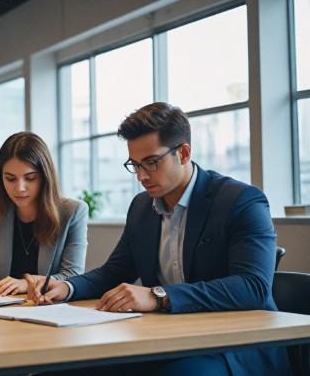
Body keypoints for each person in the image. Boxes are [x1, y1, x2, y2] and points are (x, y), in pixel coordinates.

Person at [27, 102, 290, 375]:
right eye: (135, 164)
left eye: (151, 163)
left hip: (232, 346)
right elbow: (114, 271)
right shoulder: (142, 207)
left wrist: (158, 296)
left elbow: (253, 287)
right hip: (163, 340)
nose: (141, 176)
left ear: (184, 153)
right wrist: (67, 287)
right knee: (59, 370)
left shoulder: (240, 201)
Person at [0, 131, 87, 296]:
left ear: (45, 177)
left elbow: (73, 276)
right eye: (10, 179)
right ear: (1, 178)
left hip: (46, 310)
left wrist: (25, 285)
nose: (19, 188)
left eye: (30, 178)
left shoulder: (72, 212)